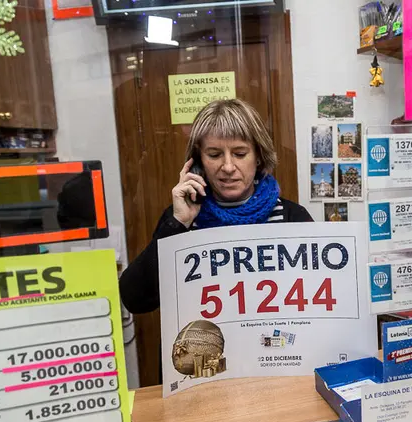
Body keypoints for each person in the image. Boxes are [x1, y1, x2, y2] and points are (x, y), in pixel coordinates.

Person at [120, 99, 313, 314]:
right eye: (214, 155)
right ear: (199, 161)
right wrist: (177, 224)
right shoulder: (181, 219)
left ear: (258, 157)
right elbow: (134, 299)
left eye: (240, 154)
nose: (228, 167)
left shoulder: (292, 217)